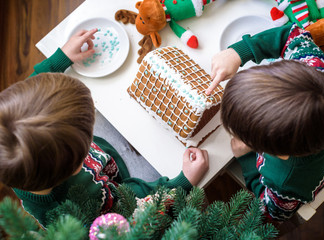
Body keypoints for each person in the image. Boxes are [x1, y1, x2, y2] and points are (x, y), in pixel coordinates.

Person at [0, 29, 209, 228]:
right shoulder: (80, 210)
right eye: (87, 130)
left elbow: (29, 95)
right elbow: (134, 212)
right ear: (76, 165)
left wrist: (60, 59)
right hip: (120, 190)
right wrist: (182, 183)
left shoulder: (8, 132)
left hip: (98, 161)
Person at [206, 24, 324, 221]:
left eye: (244, 135)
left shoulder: (284, 181)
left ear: (273, 153)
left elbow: (272, 211)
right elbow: (292, 35)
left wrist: (247, 159)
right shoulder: (317, 71)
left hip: (314, 172)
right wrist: (238, 53)